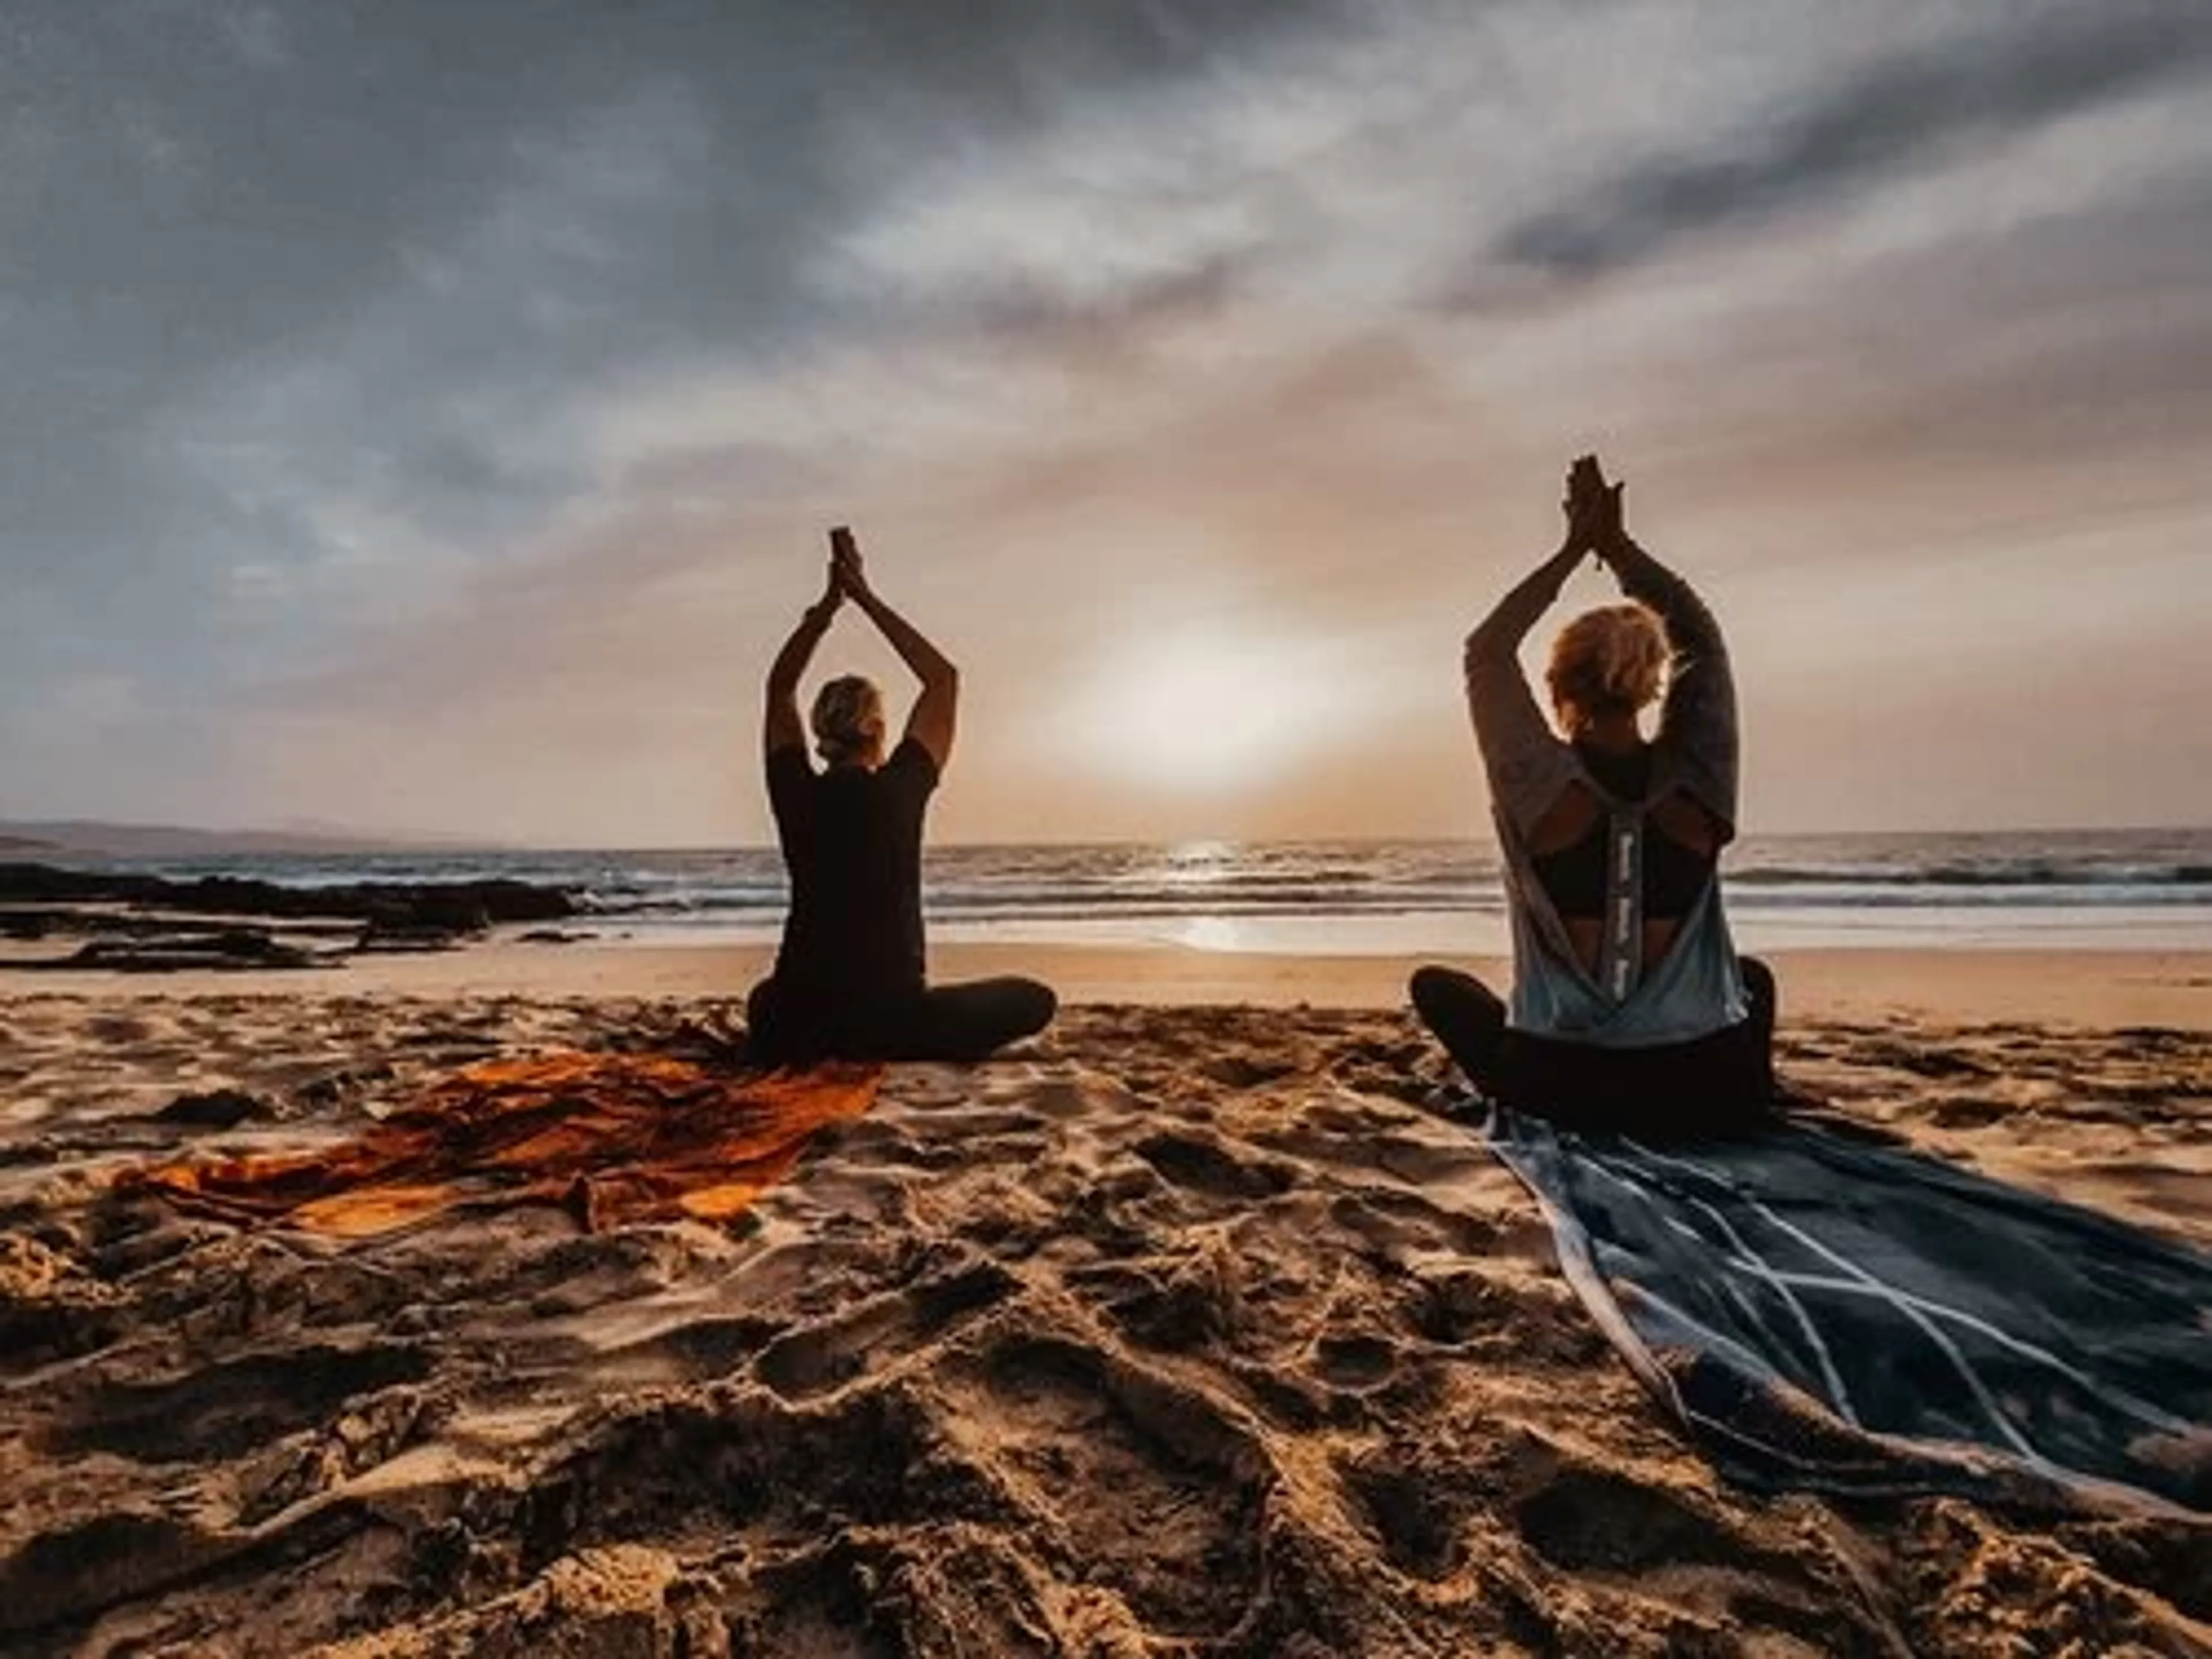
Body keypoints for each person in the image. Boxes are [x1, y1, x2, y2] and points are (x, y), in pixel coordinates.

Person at [1411, 456, 1776, 1135]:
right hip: (1707, 1082)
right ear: (1652, 685)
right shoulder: (1701, 779)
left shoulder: (1538, 788)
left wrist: (1572, 550)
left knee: (1436, 988)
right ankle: (1761, 1096)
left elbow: (1487, 651)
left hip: (1561, 1085)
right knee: (1750, 980)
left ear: (1557, 688)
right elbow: (1701, 637)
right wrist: (1619, 549)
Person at [747, 529, 1056, 1063]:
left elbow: (778, 690)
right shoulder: (901, 788)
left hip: (795, 1020)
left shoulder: (794, 788)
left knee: (762, 1000)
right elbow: (942, 680)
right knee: (1034, 1000)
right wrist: (865, 596)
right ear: (878, 730)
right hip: (889, 1020)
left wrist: (824, 613)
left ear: (822, 730)